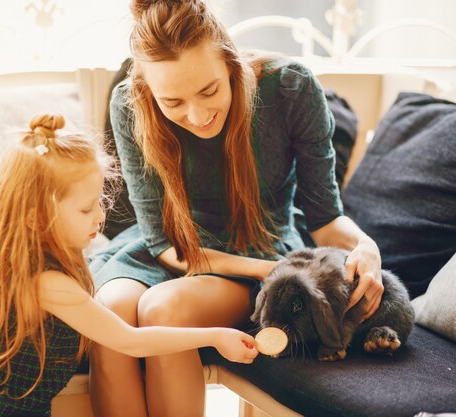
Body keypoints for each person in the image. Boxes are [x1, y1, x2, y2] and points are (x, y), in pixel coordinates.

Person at [88, 1, 385, 416]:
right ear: (148, 90)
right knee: (111, 311)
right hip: (173, 246)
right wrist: (265, 274)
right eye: (172, 102)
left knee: (163, 309)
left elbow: (325, 220)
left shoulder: (290, 88)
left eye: (209, 91)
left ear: (230, 62)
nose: (197, 115)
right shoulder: (129, 103)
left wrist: (367, 247)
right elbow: (162, 243)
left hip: (258, 247)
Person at [0, 114, 258, 417]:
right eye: (86, 210)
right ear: (35, 217)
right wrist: (214, 336)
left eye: (99, 201)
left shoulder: (6, 260)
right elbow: (130, 341)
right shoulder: (46, 283)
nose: (100, 216)